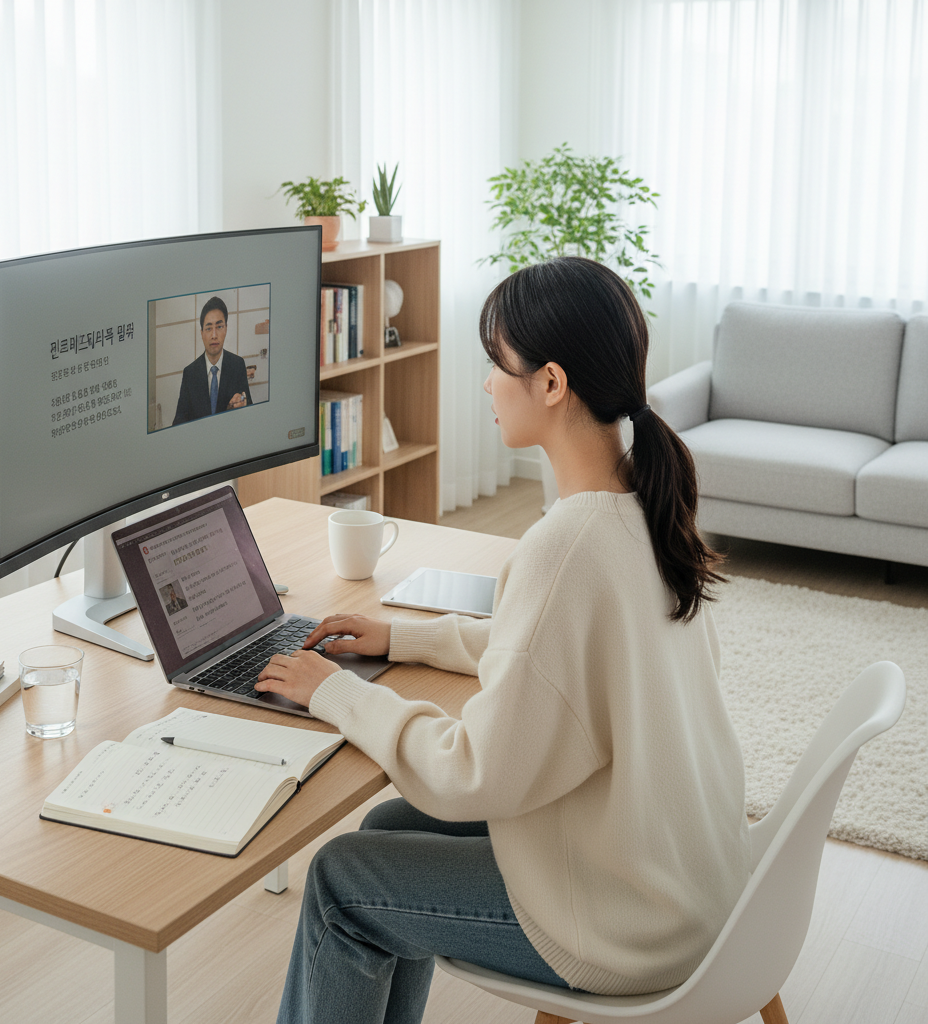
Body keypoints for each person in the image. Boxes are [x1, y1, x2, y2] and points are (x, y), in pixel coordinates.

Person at [255, 257, 751, 1024]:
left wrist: (337, 694)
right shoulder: (641, 506)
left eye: (498, 363)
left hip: (628, 922)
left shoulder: (566, 548)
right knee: (387, 827)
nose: (487, 383)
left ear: (551, 383)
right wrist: (403, 638)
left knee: (340, 880)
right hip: (682, 876)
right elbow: (556, 659)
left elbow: (471, 773)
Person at [171, 296, 252, 425]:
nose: (214, 335)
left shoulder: (237, 365)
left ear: (226, 329)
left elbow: (249, 410)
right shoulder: (190, 373)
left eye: (219, 327)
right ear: (202, 333)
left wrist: (242, 403)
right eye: (208, 328)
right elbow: (178, 422)